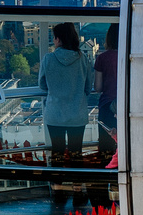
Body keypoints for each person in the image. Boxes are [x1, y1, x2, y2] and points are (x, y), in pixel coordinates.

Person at [39, 22, 91, 162]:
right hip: (77, 114)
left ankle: (58, 183)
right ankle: (77, 183)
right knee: (76, 153)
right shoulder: (83, 59)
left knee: (57, 154)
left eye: (55, 37)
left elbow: (42, 85)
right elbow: (88, 87)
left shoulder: (48, 59)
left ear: (59, 39)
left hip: (55, 113)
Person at [93, 24, 119, 163]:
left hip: (107, 106)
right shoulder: (130, 56)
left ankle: (107, 179)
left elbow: (97, 87)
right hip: (126, 107)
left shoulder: (102, 58)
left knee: (106, 149)